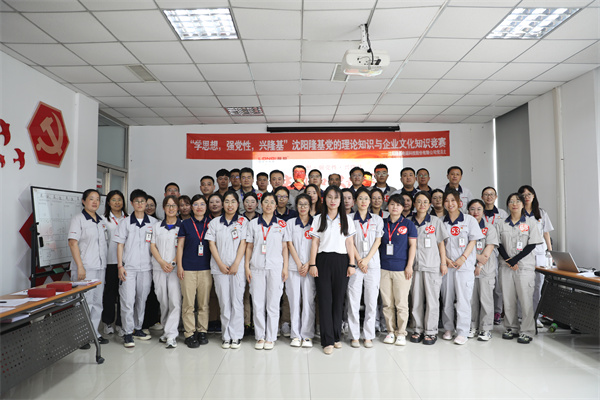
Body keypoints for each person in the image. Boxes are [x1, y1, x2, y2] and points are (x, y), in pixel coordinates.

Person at [309, 186, 356, 355]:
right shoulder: (318, 219)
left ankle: (336, 337)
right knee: (325, 300)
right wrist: (312, 264)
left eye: (336, 197)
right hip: (323, 261)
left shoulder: (347, 219)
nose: (333, 200)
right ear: (324, 199)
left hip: (341, 261)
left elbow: (349, 243)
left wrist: (352, 264)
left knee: (338, 300)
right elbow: (315, 243)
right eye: (329, 197)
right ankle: (327, 340)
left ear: (340, 200)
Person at [496, 193, 543, 344]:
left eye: (517, 201)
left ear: (523, 204)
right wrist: (509, 260)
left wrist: (515, 260)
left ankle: (527, 330)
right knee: (508, 298)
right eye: (511, 201)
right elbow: (498, 244)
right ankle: (511, 327)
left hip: (524, 267)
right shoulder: (501, 223)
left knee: (525, 299)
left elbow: (532, 244)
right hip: (506, 266)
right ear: (507, 205)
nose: (514, 204)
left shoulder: (531, 222)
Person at [245, 192, 289, 350]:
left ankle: (270, 337)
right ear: (260, 204)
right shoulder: (253, 224)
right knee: (257, 303)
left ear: (276, 205)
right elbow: (249, 247)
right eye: (266, 202)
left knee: (273, 303)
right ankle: (260, 337)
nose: (269, 205)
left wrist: (285, 267)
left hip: (275, 268)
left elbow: (285, 247)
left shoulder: (282, 224)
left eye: (272, 202)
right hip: (256, 267)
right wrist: (246, 267)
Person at [114, 189, 158, 347]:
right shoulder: (125, 222)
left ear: (146, 203)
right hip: (129, 268)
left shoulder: (153, 223)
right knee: (127, 300)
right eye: (137, 201)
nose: (140, 204)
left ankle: (138, 328)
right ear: (132, 203)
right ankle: (127, 332)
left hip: (146, 268)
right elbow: (120, 245)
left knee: (142, 299)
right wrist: (120, 266)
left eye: (142, 201)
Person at [206, 191, 248, 349]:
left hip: (237, 268)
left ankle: (236, 336)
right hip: (220, 268)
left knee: (237, 301)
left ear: (238, 204)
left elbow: (243, 243)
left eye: (233, 202)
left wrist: (236, 263)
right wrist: (220, 264)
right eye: (227, 202)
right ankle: (226, 335)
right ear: (223, 204)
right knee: (224, 302)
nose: (230, 205)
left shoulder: (243, 221)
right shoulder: (215, 223)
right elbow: (211, 244)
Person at [440, 189, 483, 345]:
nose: (450, 204)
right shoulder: (441, 221)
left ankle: (463, 331)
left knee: (463, 300)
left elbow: (473, 241)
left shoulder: (469, 220)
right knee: (447, 298)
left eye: (453, 200)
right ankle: (448, 328)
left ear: (459, 202)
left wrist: (463, 258)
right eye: (446, 201)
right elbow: (440, 244)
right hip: (447, 266)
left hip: (464, 266)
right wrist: (446, 259)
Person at [68, 189, 109, 345]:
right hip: (85, 268)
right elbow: (73, 243)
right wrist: (80, 266)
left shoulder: (101, 221)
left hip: (100, 266)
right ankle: (81, 336)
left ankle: (94, 333)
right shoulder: (78, 219)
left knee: (97, 301)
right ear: (83, 201)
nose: (95, 202)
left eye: (97, 199)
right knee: (83, 302)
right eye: (91, 198)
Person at [409, 191, 448, 345]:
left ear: (430, 204)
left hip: (432, 266)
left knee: (432, 301)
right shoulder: (409, 221)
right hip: (415, 267)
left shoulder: (435, 221)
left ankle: (431, 331)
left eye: (425, 202)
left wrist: (443, 263)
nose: (422, 205)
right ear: (414, 204)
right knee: (416, 300)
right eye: (419, 201)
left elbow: (441, 244)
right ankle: (417, 329)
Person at [379, 194, 417, 346]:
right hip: (383, 268)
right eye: (392, 204)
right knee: (387, 303)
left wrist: (409, 265)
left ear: (403, 207)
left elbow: (413, 246)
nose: (395, 207)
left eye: (398, 205)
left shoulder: (408, 224)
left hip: (402, 269)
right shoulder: (382, 223)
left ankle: (401, 333)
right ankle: (390, 331)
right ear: (387, 206)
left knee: (401, 303)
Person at [348, 187, 383, 348]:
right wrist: (359, 260)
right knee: (353, 301)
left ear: (370, 201)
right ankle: (354, 335)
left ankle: (368, 335)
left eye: (366, 199)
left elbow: (378, 241)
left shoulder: (377, 219)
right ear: (355, 201)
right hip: (355, 265)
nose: (363, 202)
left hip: (372, 265)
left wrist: (367, 260)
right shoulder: (349, 218)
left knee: (371, 300)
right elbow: (349, 241)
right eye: (360, 198)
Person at [176, 194, 212, 348]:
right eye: (196, 204)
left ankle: (202, 331)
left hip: (206, 269)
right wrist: (179, 266)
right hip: (188, 269)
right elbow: (180, 246)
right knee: (188, 304)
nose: (199, 207)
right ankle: (189, 333)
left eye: (202, 204)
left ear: (206, 206)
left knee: (204, 303)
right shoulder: (185, 224)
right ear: (191, 207)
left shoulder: (211, 223)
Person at [518, 185, 554, 328]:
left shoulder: (541, 213)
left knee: (538, 286)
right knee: (523, 285)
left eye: (529, 194)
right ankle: (522, 315)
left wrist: (550, 252)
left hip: (539, 253)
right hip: (523, 253)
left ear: (533, 196)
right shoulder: (518, 212)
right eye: (523, 195)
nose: (526, 197)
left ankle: (536, 316)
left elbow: (546, 233)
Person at [150, 195, 182, 348]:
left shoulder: (183, 226)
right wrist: (162, 262)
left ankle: (171, 335)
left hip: (175, 269)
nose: (171, 208)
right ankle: (166, 330)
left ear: (178, 208)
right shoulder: (156, 226)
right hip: (159, 268)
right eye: (168, 205)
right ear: (163, 208)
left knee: (175, 301)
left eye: (174, 205)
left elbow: (183, 247)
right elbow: (152, 246)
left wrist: (173, 262)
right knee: (163, 301)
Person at [285, 194, 316, 348]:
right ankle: (296, 335)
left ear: (310, 206)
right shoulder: (290, 223)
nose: (303, 207)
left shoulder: (316, 222)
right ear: (296, 206)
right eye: (300, 204)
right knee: (294, 300)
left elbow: (318, 244)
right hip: (294, 267)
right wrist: (299, 263)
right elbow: (289, 244)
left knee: (309, 301)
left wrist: (309, 263)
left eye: (306, 204)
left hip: (310, 268)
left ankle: (307, 335)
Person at [467, 199, 499, 341]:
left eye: (479, 209)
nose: (475, 212)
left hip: (486, 269)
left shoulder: (489, 228)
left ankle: (485, 329)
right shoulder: (466, 227)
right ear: (468, 211)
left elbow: (489, 249)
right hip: (468, 268)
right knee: (471, 300)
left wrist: (479, 265)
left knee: (486, 300)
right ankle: (472, 326)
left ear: (483, 211)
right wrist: (476, 258)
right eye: (472, 209)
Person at [101, 190, 127, 336]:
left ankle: (121, 323)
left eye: (119, 199)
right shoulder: (103, 220)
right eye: (114, 200)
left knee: (124, 295)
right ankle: (107, 322)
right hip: (110, 261)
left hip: (125, 261)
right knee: (110, 294)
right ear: (108, 203)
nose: (117, 202)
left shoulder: (128, 218)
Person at [481, 186, 508, 325]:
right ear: (482, 197)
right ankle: (484, 312)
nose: (489, 197)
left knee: (498, 284)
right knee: (484, 284)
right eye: (486, 194)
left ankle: (497, 312)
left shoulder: (502, 213)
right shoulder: (478, 212)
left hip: (499, 251)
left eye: (492, 194)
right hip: (483, 251)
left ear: (496, 197)